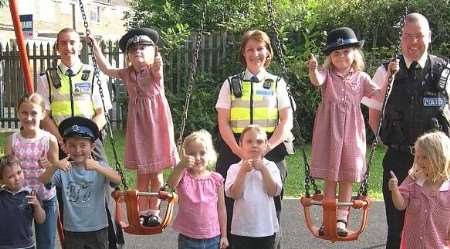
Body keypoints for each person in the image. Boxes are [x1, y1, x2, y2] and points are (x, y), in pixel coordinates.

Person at [363, 13, 450, 249]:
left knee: (438, 231)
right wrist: (388, 141)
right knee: (397, 230)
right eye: (407, 36)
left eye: (419, 36)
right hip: (399, 160)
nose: (413, 42)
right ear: (401, 38)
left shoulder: (445, 71)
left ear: (429, 37)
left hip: (438, 167)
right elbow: (374, 114)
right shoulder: (386, 71)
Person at [36, 27, 120, 248]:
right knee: (66, 192)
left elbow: (102, 113)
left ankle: (109, 238)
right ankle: (72, 239)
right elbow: (45, 116)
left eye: (72, 42)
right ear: (57, 47)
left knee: (101, 187)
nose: (68, 47)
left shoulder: (93, 74)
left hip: (90, 140)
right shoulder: (46, 78)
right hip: (62, 141)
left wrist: (90, 139)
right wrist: (61, 141)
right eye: (63, 43)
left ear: (80, 46)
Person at [86, 27, 179, 227]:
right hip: (138, 127)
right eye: (133, 49)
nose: (138, 52)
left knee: (155, 171)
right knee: (142, 172)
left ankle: (154, 210)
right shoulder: (127, 73)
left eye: (144, 48)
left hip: (156, 126)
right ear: (128, 56)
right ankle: (143, 211)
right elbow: (105, 69)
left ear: (153, 52)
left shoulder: (154, 71)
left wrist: (156, 62)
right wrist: (95, 47)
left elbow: (158, 67)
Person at [215, 29, 293, 248]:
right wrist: (237, 150)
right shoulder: (230, 84)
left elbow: (286, 121)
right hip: (236, 147)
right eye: (250, 49)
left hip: (269, 148)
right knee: (230, 201)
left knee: (271, 201)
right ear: (243, 53)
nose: (255, 53)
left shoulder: (277, 83)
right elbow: (223, 122)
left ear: (268, 52)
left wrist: (268, 147)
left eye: (260, 48)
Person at [307, 27, 380, 236]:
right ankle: (328, 219)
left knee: (346, 176)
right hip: (329, 130)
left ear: (354, 53)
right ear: (330, 57)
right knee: (331, 177)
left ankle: (341, 219)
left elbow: (378, 93)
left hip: (351, 132)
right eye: (336, 53)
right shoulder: (326, 75)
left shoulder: (362, 77)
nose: (341, 56)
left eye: (346, 51)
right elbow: (316, 80)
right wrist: (312, 69)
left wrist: (391, 75)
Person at [39, 116, 121, 249]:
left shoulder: (99, 166)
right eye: (72, 145)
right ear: (65, 147)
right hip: (72, 231)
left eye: (83, 145)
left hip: (98, 228)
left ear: (92, 146)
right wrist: (54, 166)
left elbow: (117, 179)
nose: (77, 150)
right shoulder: (64, 169)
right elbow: (44, 180)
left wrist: (97, 167)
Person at [4, 93, 59, 249]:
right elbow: (7, 170)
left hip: (45, 197)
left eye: (34, 113)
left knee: (46, 243)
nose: (29, 118)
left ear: (43, 114)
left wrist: (49, 165)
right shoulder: (12, 140)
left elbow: (55, 174)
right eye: (24, 113)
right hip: (20, 198)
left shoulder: (49, 140)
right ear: (18, 113)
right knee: (17, 242)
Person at [167, 130, 229, 249]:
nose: (197, 157)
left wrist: (224, 235)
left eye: (202, 153)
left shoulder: (216, 179)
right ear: (185, 155)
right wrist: (181, 165)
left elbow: (221, 209)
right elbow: (170, 185)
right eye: (192, 153)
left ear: (210, 154)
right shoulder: (183, 176)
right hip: (188, 238)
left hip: (213, 237)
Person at [389, 131, 450, 249]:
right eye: (417, 156)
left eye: (424, 157)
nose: (419, 161)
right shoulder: (412, 180)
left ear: (440, 159)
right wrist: (395, 190)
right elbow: (400, 205)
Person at [225, 125, 282, 249]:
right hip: (241, 229)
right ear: (241, 144)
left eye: (260, 141)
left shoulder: (271, 166)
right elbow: (234, 194)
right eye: (249, 141)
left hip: (266, 229)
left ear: (266, 144)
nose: (254, 145)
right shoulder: (234, 168)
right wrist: (242, 172)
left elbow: (273, 192)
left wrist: (263, 169)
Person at [0, 154, 46, 249]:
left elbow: (41, 220)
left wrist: (37, 206)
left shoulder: (30, 194)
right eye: (10, 176)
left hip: (26, 245)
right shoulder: (1, 195)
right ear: (2, 180)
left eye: (19, 172)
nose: (17, 178)